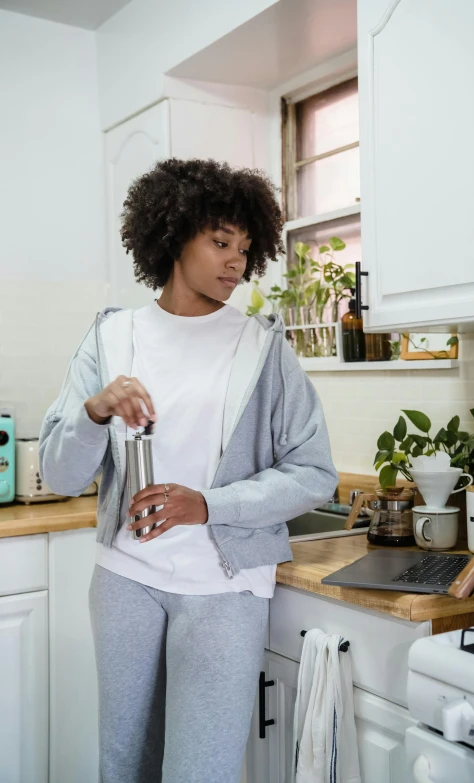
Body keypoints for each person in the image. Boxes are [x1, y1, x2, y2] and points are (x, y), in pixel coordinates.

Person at [39, 158, 338, 783]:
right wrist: (93, 413)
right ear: (174, 236)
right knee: (124, 764)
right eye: (219, 241)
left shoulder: (263, 348)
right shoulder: (111, 337)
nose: (236, 261)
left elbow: (313, 474)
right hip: (126, 580)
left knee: (201, 770)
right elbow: (61, 477)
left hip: (225, 589)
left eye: (245, 247)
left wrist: (206, 505)